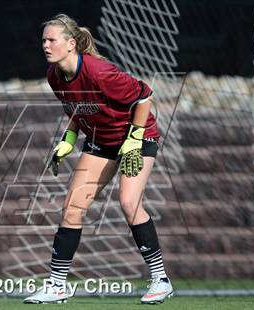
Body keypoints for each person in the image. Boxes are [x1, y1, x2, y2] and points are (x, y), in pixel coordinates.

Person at [23, 13, 173, 304]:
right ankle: (56, 286)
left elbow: (144, 97)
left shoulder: (99, 72)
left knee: (129, 203)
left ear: (70, 44)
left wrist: (132, 140)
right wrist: (67, 141)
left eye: (52, 39)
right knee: (72, 207)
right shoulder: (54, 75)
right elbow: (81, 111)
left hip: (137, 136)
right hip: (101, 141)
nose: (46, 45)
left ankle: (160, 279)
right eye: (44, 40)